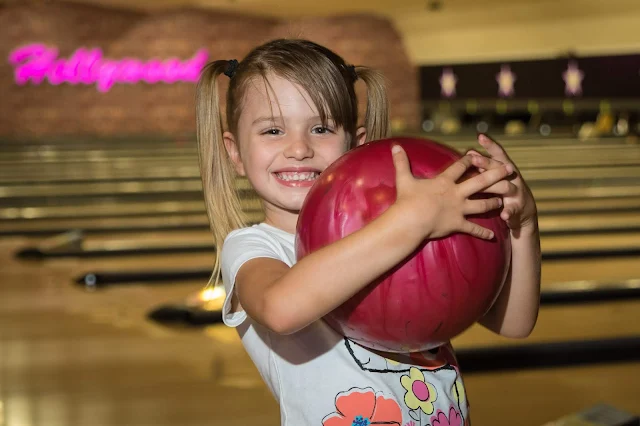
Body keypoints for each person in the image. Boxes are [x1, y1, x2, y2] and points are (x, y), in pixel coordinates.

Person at [195, 38, 541, 426]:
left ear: (357, 145)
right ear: (235, 152)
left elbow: (513, 323)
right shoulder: (253, 247)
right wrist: (410, 222)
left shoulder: (399, 227)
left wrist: (523, 225)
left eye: (321, 128)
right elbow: (281, 308)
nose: (298, 149)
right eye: (273, 130)